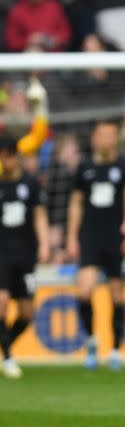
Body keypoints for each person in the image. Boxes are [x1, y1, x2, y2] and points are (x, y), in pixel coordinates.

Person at [66, 121, 125, 370]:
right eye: (102, 135)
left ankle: (115, 349)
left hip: (116, 236)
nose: (106, 139)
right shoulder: (84, 167)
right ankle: (92, 341)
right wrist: (72, 237)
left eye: (111, 135)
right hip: (90, 236)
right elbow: (76, 203)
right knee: (83, 291)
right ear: (94, 138)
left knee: (117, 296)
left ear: (116, 138)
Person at [0, 135, 49, 379]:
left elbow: (39, 215)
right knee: (1, 303)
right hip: (1, 253)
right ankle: (8, 358)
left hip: (26, 252)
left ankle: (5, 347)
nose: (7, 161)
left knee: (27, 314)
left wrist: (45, 244)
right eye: (3, 156)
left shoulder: (30, 184)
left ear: (16, 157)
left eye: (10, 156)